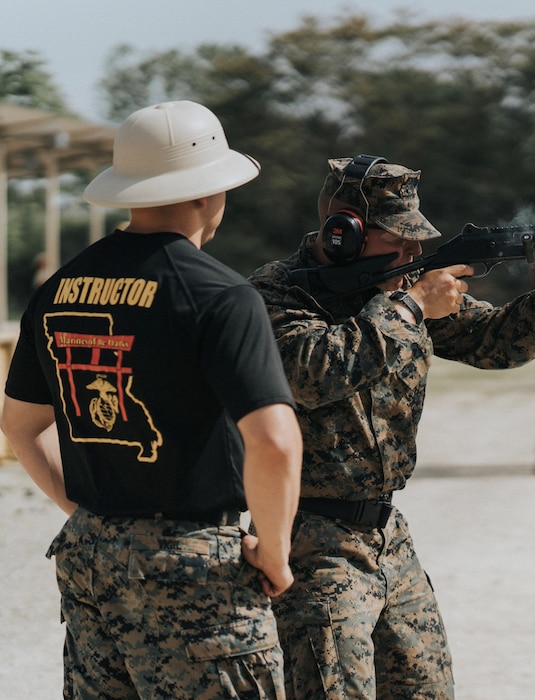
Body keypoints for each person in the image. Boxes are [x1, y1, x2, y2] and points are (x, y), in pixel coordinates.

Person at [247, 155, 535, 699]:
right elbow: (312, 372)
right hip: (314, 544)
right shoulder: (277, 293)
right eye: (398, 239)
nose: (413, 254)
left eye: (416, 241)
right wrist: (409, 309)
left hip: (388, 535)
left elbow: (499, 342)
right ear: (343, 232)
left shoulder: (399, 287)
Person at [1, 100, 303, 699]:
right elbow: (272, 441)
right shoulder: (220, 295)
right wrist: (274, 552)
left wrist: (94, 514)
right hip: (197, 566)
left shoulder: (60, 288)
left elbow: (20, 425)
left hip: (92, 554)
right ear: (208, 191)